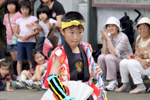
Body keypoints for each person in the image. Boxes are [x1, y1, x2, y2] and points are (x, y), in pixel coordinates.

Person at [44, 11, 107, 100]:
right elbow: (52, 78)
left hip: (86, 92)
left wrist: (97, 73)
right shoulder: (59, 53)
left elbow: (92, 74)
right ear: (62, 32)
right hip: (66, 93)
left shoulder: (87, 48)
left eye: (79, 32)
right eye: (71, 33)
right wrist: (64, 97)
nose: (76, 37)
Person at [115, 17, 150, 94]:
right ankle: (126, 85)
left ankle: (141, 86)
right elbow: (137, 54)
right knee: (123, 62)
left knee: (131, 63)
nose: (142, 30)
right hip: (141, 65)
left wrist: (142, 60)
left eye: (145, 27)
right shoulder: (138, 38)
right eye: (140, 28)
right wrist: (132, 57)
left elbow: (141, 59)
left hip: (148, 66)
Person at [97, 16, 133, 91]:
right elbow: (104, 53)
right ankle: (102, 81)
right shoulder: (108, 36)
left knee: (109, 57)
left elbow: (114, 54)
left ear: (117, 28)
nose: (111, 28)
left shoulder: (123, 37)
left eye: (113, 26)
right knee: (101, 57)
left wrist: (108, 40)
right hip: (113, 61)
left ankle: (113, 81)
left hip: (125, 63)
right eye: (109, 26)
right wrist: (104, 40)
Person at [14, 0, 38, 76]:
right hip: (20, 42)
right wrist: (21, 37)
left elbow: (37, 31)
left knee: (30, 60)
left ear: (29, 9)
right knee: (19, 60)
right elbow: (15, 32)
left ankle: (32, 77)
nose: (25, 11)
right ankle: (19, 76)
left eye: (26, 9)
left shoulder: (33, 18)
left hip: (30, 42)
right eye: (23, 9)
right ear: (20, 9)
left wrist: (29, 36)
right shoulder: (18, 20)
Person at [3, 0, 22, 76]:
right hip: (9, 39)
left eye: (12, 4)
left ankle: (19, 74)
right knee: (13, 58)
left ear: (16, 5)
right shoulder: (6, 15)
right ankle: (14, 74)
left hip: (17, 39)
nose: (10, 6)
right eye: (8, 4)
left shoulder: (19, 15)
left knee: (18, 58)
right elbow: (6, 26)